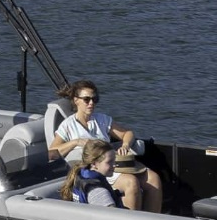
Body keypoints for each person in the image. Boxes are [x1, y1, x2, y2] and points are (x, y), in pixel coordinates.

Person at [48, 80, 162, 212]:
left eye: (95, 99)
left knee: (154, 178)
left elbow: (127, 133)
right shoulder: (68, 125)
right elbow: (51, 153)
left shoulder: (102, 120)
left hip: (113, 164)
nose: (91, 103)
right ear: (76, 100)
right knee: (131, 183)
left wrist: (125, 145)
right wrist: (75, 142)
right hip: (95, 170)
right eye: (87, 99)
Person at [59, 139, 124, 207]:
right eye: (109, 162)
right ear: (93, 164)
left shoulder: (81, 175)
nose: (114, 164)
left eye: (114, 160)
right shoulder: (98, 191)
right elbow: (111, 216)